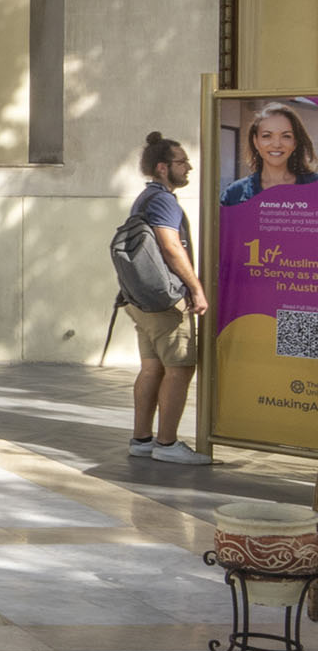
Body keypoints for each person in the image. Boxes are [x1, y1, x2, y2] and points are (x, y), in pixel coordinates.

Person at [125, 132, 211, 465]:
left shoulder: (145, 198)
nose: (188, 167)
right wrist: (196, 288)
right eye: (181, 161)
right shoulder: (163, 201)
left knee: (152, 368)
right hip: (166, 301)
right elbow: (171, 247)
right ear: (163, 167)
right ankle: (167, 443)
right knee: (181, 368)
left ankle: (142, 439)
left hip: (140, 300)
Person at [221, 100, 318, 204]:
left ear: (295, 143)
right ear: (255, 141)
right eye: (267, 136)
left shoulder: (314, 186)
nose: (276, 144)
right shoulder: (234, 194)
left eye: (286, 136)